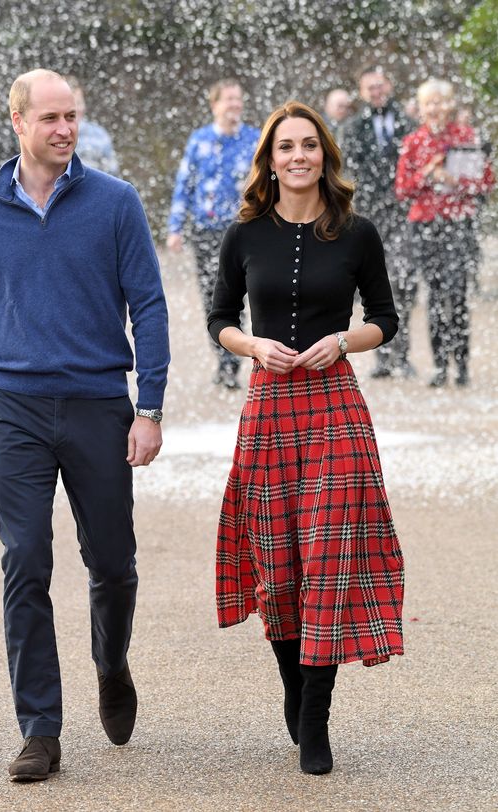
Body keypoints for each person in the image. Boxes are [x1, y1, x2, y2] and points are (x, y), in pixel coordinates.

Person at [0, 69, 170, 781]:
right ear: (17, 123)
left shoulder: (114, 203)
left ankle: (111, 660)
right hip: (12, 405)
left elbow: (150, 306)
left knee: (112, 562)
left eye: (71, 115)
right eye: (50, 118)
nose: (64, 129)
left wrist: (149, 407)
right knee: (24, 561)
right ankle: (39, 727)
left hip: (98, 403)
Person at [208, 100, 404, 776]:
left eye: (309, 146)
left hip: (333, 407)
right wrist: (252, 345)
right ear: (269, 159)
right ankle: (294, 687)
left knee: (326, 556)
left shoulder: (357, 232)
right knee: (277, 563)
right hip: (267, 408)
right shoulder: (243, 234)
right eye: (285, 147)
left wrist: (341, 342)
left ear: (325, 155)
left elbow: (385, 318)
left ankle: (315, 719)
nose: (298, 156)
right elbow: (218, 318)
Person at [395, 79, 494, 386]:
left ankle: (462, 365)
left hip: (458, 224)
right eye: (429, 103)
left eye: (441, 102)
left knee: (459, 294)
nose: (435, 108)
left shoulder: (466, 137)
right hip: (425, 225)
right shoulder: (413, 141)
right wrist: (428, 173)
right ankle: (439, 366)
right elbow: (402, 190)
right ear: (421, 109)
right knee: (435, 296)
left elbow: (486, 183)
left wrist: (458, 182)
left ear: (451, 105)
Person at [167, 79, 260, 389]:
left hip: (245, 229)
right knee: (214, 296)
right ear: (214, 104)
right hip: (207, 230)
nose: (235, 104)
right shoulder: (200, 141)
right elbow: (185, 185)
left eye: (238, 99)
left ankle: (248, 355)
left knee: (248, 293)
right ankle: (225, 361)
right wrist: (175, 227)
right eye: (228, 99)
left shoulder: (254, 139)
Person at [341, 65, 415, 378]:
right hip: (370, 214)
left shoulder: (408, 123)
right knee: (374, 283)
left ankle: (402, 353)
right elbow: (351, 168)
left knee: (404, 282)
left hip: (401, 212)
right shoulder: (355, 127)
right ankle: (382, 357)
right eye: (370, 87)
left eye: (380, 85)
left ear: (390, 86)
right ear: (362, 92)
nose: (376, 91)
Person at [66, 75, 120, 175]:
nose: (78, 108)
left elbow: (113, 173)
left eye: (80, 102)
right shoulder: (52, 134)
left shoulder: (99, 134)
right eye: (73, 103)